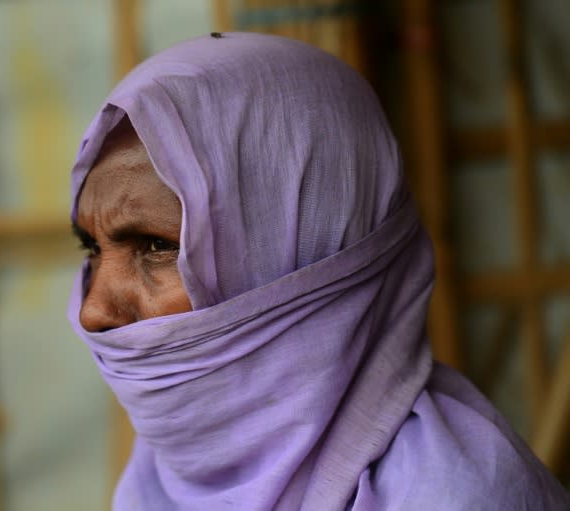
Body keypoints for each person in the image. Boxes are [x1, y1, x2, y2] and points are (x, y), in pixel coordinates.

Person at [67, 33, 569, 510]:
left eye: (158, 246)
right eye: (91, 246)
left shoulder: (454, 498)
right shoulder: (156, 484)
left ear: (308, 258)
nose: (93, 310)